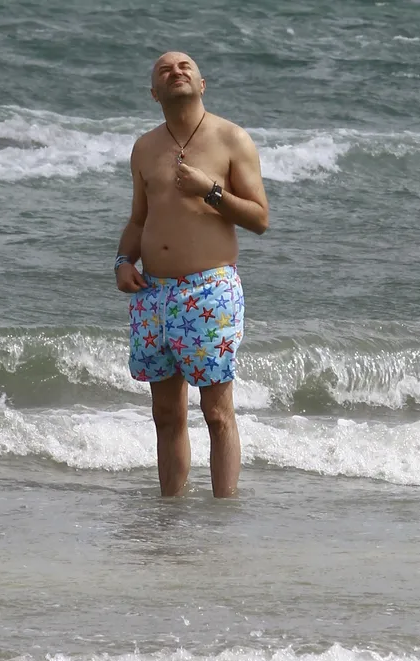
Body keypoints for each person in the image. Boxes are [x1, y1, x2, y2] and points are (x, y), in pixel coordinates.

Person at [115, 51, 268, 498]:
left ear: (202, 84)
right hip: (152, 294)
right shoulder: (145, 147)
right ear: (154, 93)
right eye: (164, 69)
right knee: (166, 414)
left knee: (217, 413)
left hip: (209, 290)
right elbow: (138, 220)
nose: (175, 71)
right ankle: (170, 513)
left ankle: (223, 513)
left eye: (185, 66)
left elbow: (259, 218)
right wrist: (122, 262)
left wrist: (210, 190)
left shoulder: (231, 138)